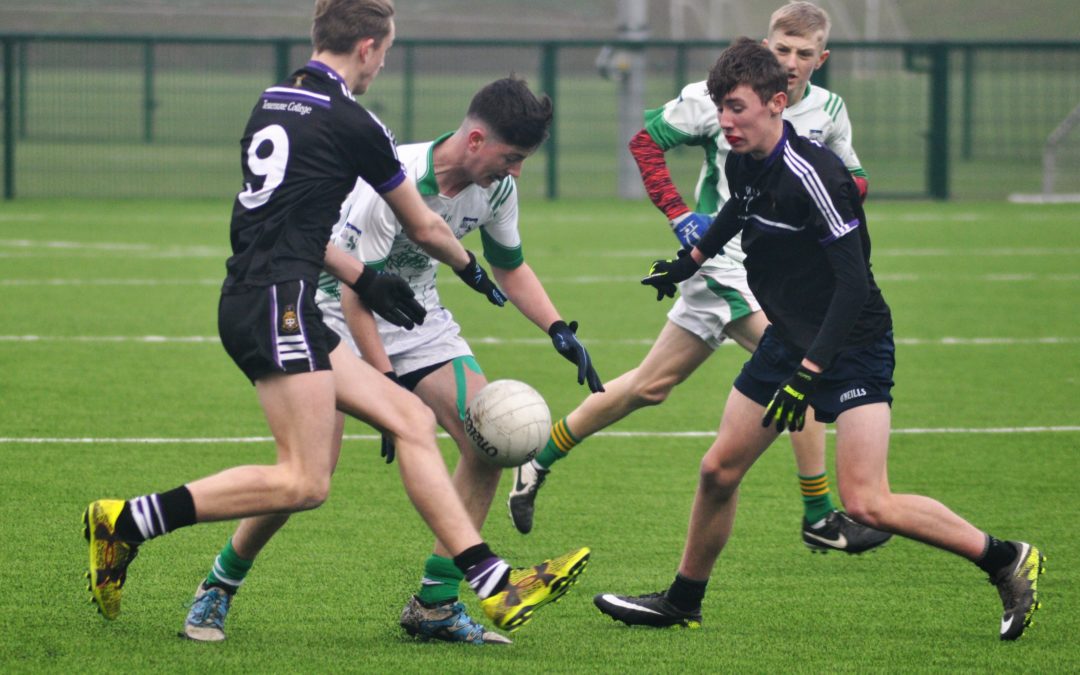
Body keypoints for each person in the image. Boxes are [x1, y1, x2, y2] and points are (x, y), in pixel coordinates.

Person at [84, 0, 589, 640]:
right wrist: (466, 267)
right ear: (371, 48)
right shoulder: (358, 124)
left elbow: (281, 221)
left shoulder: (273, 101)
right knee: (304, 480)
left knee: (408, 420)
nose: (382, 65)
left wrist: (363, 275)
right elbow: (423, 224)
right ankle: (128, 523)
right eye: (386, 52)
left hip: (271, 293)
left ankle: (482, 584)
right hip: (281, 303)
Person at [593, 37, 1044, 642]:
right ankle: (681, 601)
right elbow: (736, 211)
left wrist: (809, 371)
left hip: (851, 341)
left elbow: (854, 286)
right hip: (789, 338)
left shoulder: (816, 175)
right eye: (721, 107)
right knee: (718, 471)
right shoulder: (742, 158)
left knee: (866, 502)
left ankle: (1005, 559)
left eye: (738, 108)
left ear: (777, 103)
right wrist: (689, 258)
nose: (726, 121)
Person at [181, 75, 604, 645]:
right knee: (306, 477)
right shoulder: (394, 178)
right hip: (335, 317)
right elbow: (356, 293)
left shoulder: (497, 189)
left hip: (419, 322)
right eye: (512, 157)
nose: (517, 171)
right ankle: (219, 585)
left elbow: (509, 264)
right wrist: (386, 385)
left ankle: (434, 605)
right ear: (476, 140)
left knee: (487, 439)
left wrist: (556, 326)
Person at [509, 1, 888, 556]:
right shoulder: (722, 99)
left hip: (776, 273)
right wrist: (681, 217)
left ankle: (538, 459)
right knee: (800, 364)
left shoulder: (830, 109)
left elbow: (854, 180)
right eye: (781, 49)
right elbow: (646, 143)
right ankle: (818, 512)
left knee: (648, 385)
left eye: (803, 54)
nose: (790, 61)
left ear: (820, 59)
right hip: (722, 263)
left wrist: (824, 204)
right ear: (766, 46)